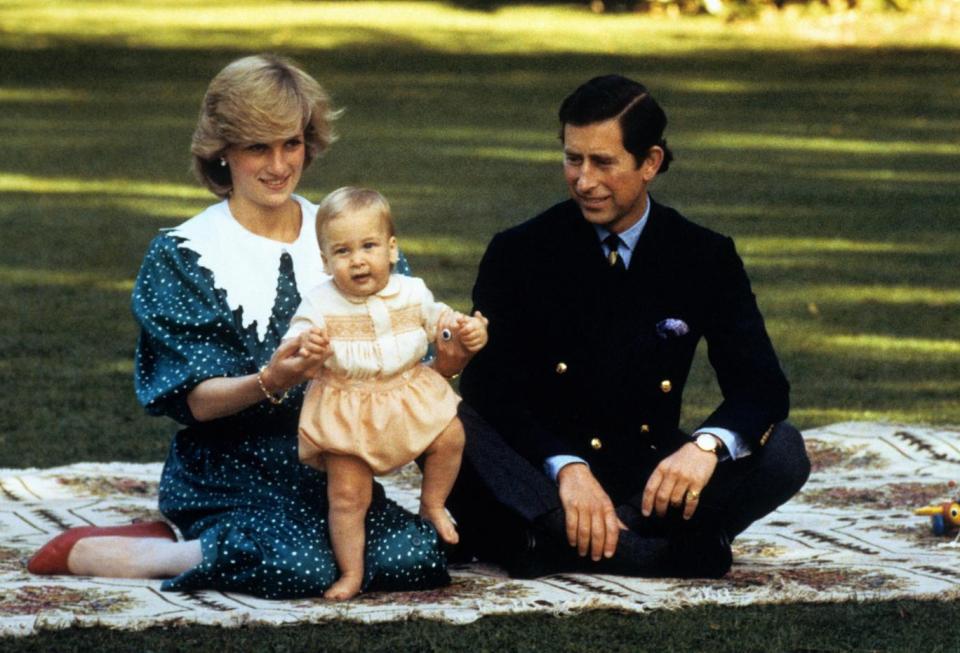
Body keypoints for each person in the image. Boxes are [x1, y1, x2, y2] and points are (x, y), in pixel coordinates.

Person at [27, 54, 470, 599]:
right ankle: (154, 552)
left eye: (291, 143)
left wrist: (448, 358)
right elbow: (193, 401)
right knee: (300, 567)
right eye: (258, 147)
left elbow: (404, 365)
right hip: (226, 468)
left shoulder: (348, 235)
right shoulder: (184, 254)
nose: (279, 165)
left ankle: (227, 545)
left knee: (416, 558)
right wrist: (272, 380)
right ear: (222, 152)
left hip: (335, 465)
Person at [448, 74, 811, 579]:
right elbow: (490, 389)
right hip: (542, 473)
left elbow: (762, 386)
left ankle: (549, 544)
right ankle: (657, 552)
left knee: (785, 450)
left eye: (603, 162)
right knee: (444, 421)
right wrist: (567, 466)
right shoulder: (520, 252)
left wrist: (705, 448)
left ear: (651, 163)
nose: (583, 180)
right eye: (573, 159)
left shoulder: (703, 255)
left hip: (647, 478)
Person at [284, 186, 488, 600]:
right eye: (342, 252)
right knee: (346, 495)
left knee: (452, 435)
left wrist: (468, 329)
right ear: (325, 261)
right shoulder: (320, 303)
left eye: (369, 246)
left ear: (392, 250)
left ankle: (432, 503)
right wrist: (307, 345)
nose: (357, 260)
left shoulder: (411, 292)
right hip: (348, 405)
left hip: (405, 393)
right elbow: (297, 335)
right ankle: (352, 573)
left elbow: (441, 322)